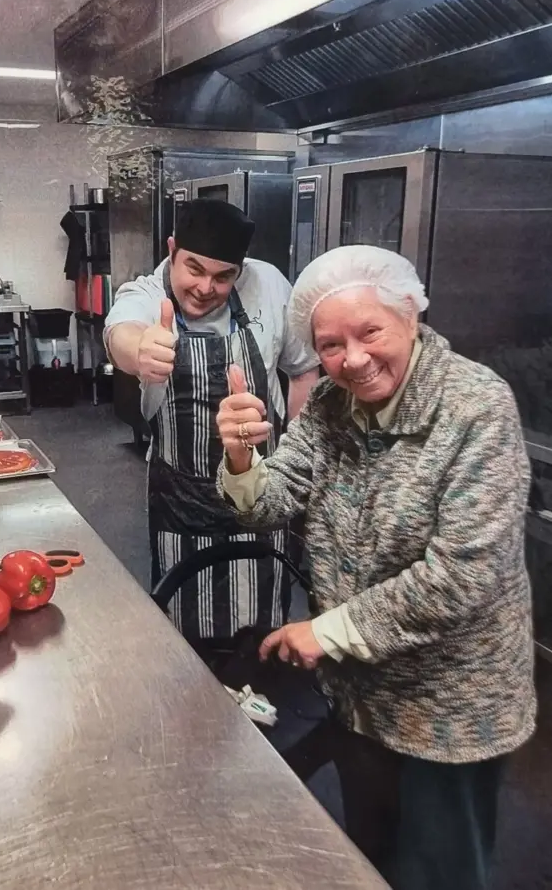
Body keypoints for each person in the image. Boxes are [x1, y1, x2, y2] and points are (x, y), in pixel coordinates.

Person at [216, 244, 536, 890]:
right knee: (370, 857)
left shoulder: (474, 406)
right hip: (358, 695)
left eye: (370, 332)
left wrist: (325, 630)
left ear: (410, 314)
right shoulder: (331, 402)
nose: (353, 359)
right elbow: (272, 503)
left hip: (448, 706)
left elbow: (461, 576)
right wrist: (242, 457)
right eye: (330, 345)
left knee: (442, 870)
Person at [104, 198, 320, 641]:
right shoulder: (147, 294)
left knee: (262, 631)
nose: (206, 287)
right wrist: (141, 350)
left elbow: (303, 371)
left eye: (224, 276)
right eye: (194, 269)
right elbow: (120, 332)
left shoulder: (270, 285)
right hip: (182, 498)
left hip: (261, 490)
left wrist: (297, 455)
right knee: (187, 630)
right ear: (172, 250)